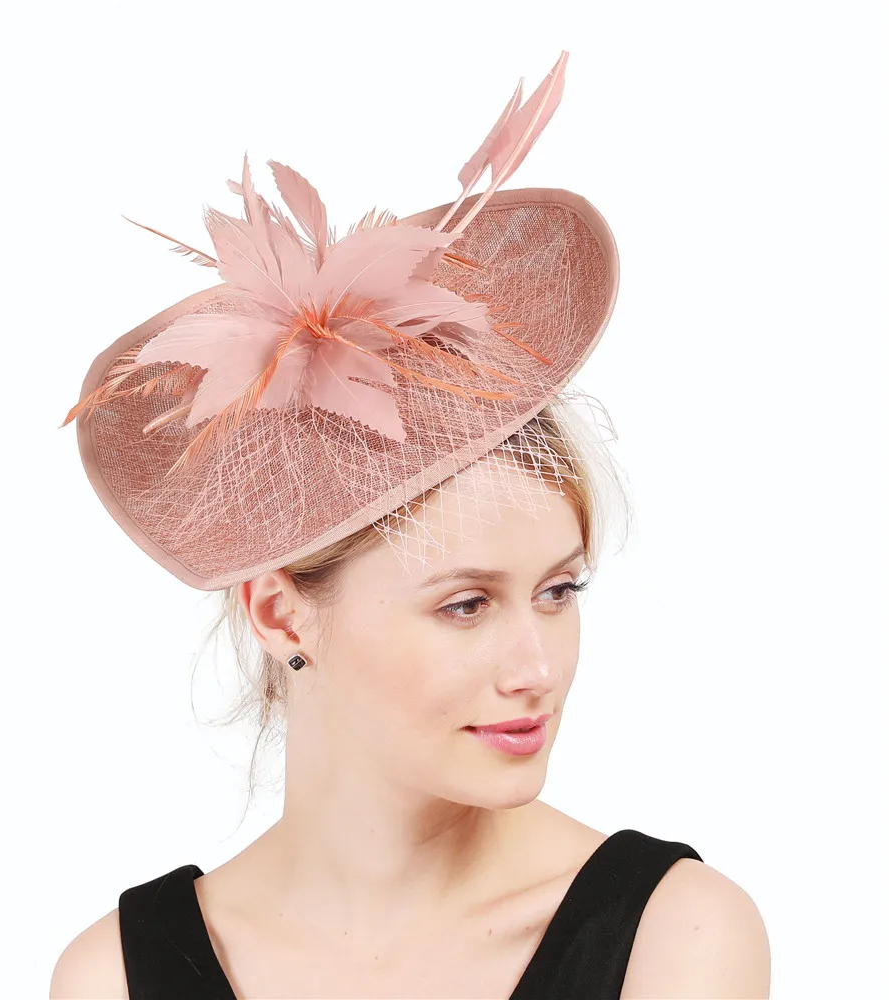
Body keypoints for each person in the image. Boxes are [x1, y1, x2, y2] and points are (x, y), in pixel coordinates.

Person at [50, 52, 770, 999]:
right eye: (466, 604)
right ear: (279, 613)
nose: (538, 667)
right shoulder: (112, 976)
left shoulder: (674, 939)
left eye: (559, 591)